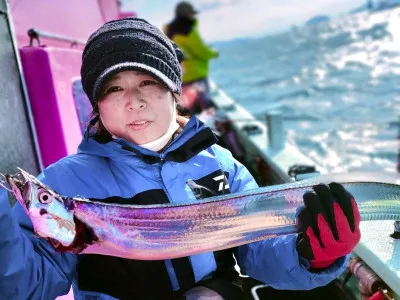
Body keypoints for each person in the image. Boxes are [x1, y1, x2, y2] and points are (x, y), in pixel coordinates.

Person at [0, 17, 361, 300]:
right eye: (113, 88)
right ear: (97, 106)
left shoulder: (222, 165)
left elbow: (261, 254)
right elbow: (27, 286)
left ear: (175, 93)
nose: (134, 100)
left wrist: (311, 254)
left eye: (149, 82)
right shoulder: (64, 184)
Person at [164, 1, 218, 112]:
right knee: (206, 106)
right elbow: (202, 52)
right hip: (196, 75)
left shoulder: (167, 30)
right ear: (188, 14)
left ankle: (190, 127)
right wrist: (214, 53)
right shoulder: (189, 32)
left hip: (179, 75)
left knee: (188, 107)